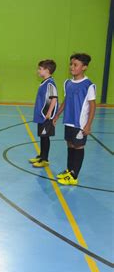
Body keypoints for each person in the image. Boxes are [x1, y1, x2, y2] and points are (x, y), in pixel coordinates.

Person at [53, 53, 96, 186]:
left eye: (75, 65)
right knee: (70, 144)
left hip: (80, 123)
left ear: (84, 67)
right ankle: (69, 170)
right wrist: (58, 114)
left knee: (78, 146)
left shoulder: (88, 85)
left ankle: (74, 176)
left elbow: (93, 106)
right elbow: (66, 101)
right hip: (68, 120)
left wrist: (88, 125)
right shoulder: (67, 83)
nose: (72, 67)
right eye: (71, 64)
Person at [29, 59, 58, 168]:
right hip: (42, 115)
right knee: (42, 136)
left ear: (47, 70)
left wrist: (49, 113)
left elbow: (54, 98)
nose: (38, 71)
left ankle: (45, 159)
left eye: (40, 69)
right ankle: (41, 156)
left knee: (45, 137)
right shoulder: (45, 82)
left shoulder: (50, 83)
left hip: (46, 116)